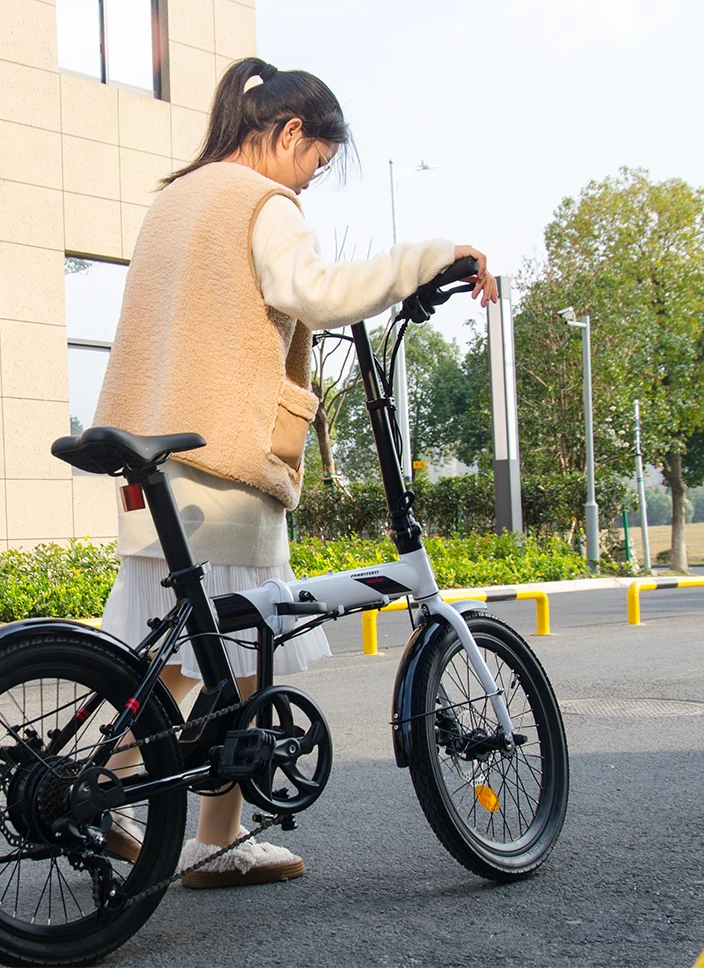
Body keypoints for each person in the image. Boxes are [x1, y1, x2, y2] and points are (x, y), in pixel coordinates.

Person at [92, 57, 498, 888]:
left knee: (217, 655)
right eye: (317, 160)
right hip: (221, 459)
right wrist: (431, 258)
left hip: (153, 457)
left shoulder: (178, 198)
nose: (312, 180)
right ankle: (116, 796)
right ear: (287, 133)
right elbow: (316, 290)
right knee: (224, 652)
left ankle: (204, 832)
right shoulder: (261, 203)